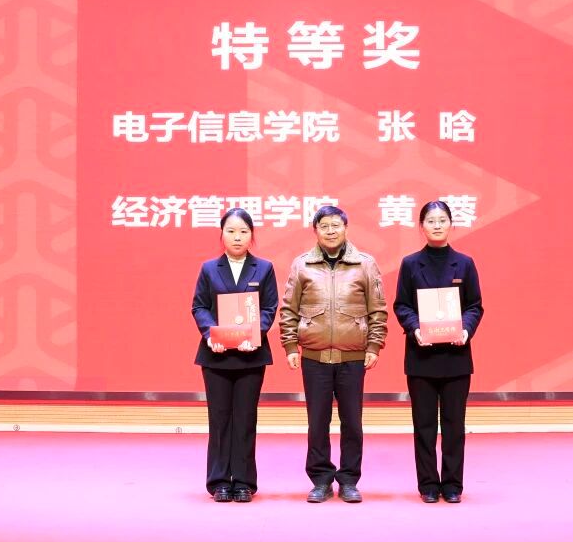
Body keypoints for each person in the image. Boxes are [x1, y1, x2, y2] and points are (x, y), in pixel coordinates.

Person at [280, 205, 387, 503]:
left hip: (353, 358)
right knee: (317, 423)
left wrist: (374, 345)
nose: (330, 231)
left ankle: (349, 480)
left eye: (335, 225)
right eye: (324, 226)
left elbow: (377, 310)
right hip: (314, 358)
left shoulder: (365, 264)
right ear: (315, 230)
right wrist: (290, 346)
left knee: (352, 423)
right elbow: (288, 309)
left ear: (346, 228)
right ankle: (321, 480)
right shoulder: (302, 265)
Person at [392, 200, 483, 504]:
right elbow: (402, 305)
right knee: (425, 425)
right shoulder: (410, 264)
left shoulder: (465, 263)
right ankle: (429, 484)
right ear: (422, 227)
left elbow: (474, 306)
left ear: (451, 224)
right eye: (430, 221)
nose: (437, 225)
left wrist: (465, 330)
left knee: (455, 426)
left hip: (456, 358)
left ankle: (453, 484)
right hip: (422, 357)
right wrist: (415, 328)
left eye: (442, 220)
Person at [191, 208, 278, 503]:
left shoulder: (264, 268)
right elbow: (199, 307)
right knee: (219, 420)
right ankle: (219, 481)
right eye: (231, 231)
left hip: (250, 356)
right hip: (215, 356)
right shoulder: (209, 269)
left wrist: (255, 335)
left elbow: (269, 308)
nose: (237, 237)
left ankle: (243, 481)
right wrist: (210, 334)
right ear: (222, 234)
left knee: (245, 419)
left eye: (243, 231)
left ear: (252, 235)